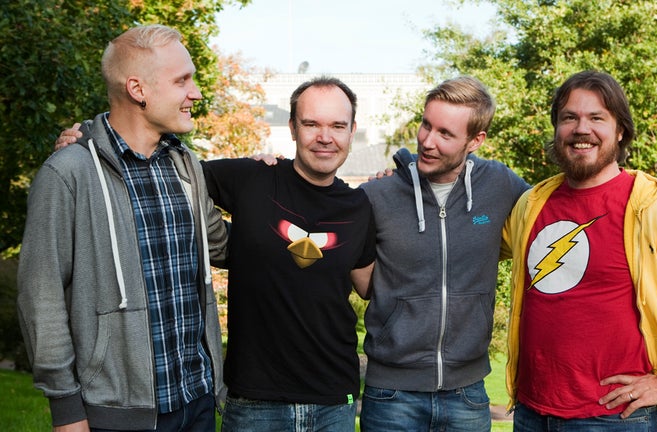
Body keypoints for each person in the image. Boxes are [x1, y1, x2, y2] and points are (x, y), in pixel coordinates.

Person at [18, 24, 228, 431]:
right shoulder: (69, 173)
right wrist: (66, 409)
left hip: (197, 402)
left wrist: (275, 193)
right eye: (182, 80)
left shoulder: (185, 165)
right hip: (114, 415)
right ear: (137, 89)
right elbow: (41, 296)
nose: (196, 92)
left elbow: (222, 245)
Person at [502, 70, 657, 431]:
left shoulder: (655, 208)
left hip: (616, 419)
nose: (581, 129)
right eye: (569, 117)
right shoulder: (531, 204)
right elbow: (471, 243)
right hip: (531, 413)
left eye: (596, 118)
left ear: (620, 131)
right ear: (556, 128)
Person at [201, 76, 376, 431]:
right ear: (293, 128)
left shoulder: (360, 206)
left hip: (333, 402)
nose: (325, 137)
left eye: (337, 126)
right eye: (311, 124)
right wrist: (89, 139)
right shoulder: (253, 178)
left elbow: (368, 286)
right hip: (255, 402)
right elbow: (169, 174)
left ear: (352, 131)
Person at [358, 76, 529, 431]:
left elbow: (556, 214)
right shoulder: (378, 195)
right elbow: (363, 284)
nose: (427, 141)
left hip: (467, 394)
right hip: (391, 396)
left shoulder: (500, 184)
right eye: (426, 125)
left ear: (475, 141)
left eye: (445, 134)